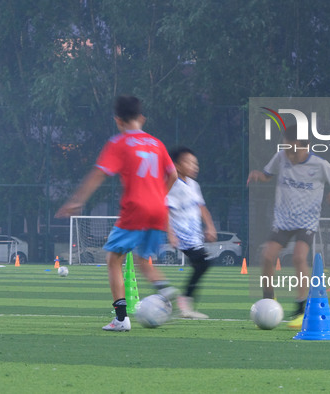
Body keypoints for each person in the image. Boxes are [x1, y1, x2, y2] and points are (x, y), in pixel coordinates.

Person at [55, 95, 178, 332]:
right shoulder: (156, 143)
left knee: (113, 259)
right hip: (158, 209)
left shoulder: (119, 142)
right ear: (142, 118)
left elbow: (99, 173)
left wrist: (76, 201)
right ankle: (164, 288)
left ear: (118, 120)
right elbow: (172, 175)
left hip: (135, 208)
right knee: (143, 261)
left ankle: (121, 319)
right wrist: (157, 196)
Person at [248, 125, 330, 329]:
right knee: (267, 257)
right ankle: (269, 300)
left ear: (307, 146)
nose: (290, 155)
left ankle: (301, 308)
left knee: (298, 257)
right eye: (286, 149)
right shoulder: (281, 157)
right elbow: (268, 174)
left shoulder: (320, 165)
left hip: (307, 221)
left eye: (294, 150)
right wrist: (260, 175)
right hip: (283, 220)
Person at [166, 146, 217, 319]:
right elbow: (164, 209)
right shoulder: (172, 185)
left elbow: (201, 207)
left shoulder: (194, 185)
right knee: (203, 263)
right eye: (189, 162)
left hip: (194, 236)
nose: (195, 166)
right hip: (182, 235)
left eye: (196, 163)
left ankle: (179, 302)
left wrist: (210, 226)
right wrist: (170, 232)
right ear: (177, 165)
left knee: (201, 265)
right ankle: (184, 302)